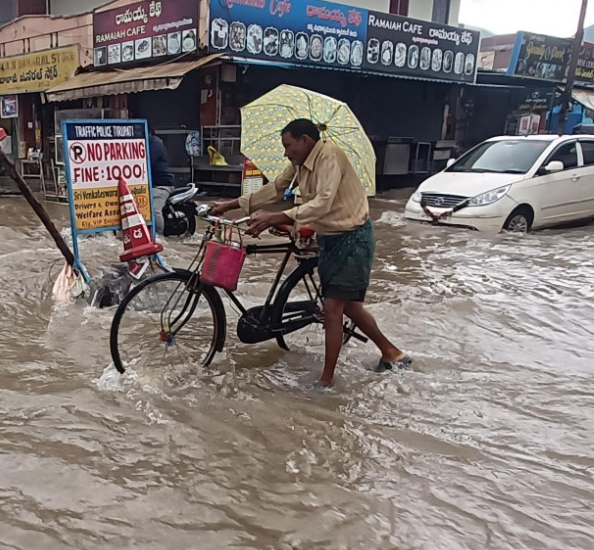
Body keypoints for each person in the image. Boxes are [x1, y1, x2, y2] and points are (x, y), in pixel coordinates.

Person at [208, 119, 410, 387]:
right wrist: (229, 205)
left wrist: (277, 216)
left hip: (352, 238)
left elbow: (323, 202)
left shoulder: (330, 156)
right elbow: (275, 188)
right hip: (328, 237)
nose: (286, 152)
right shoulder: (298, 164)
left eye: (289, 146)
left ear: (305, 140)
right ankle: (391, 352)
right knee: (348, 305)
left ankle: (326, 382)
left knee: (334, 308)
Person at [149, 132, 173, 235]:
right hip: (147, 186)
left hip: (160, 185)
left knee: (153, 210)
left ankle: (158, 237)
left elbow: (149, 161)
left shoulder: (154, 143)